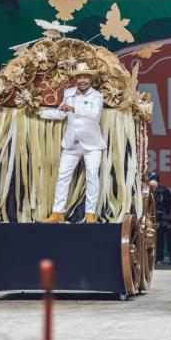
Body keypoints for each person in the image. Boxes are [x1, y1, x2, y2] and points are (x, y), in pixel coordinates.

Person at [40, 63, 106, 224]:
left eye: (85, 77)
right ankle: (58, 213)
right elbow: (63, 113)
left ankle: (90, 214)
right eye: (79, 77)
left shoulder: (97, 96)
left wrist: (74, 108)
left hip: (92, 145)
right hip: (71, 143)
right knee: (63, 176)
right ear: (76, 78)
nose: (82, 80)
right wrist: (41, 113)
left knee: (92, 176)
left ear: (90, 78)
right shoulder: (69, 92)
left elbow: (94, 115)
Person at [150, 172, 171, 264]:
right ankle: (159, 258)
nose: (151, 182)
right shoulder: (149, 192)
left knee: (170, 240)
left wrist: (170, 214)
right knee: (159, 240)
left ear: (156, 181)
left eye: (152, 180)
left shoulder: (164, 190)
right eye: (150, 180)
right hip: (157, 220)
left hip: (168, 219)